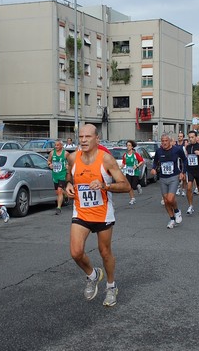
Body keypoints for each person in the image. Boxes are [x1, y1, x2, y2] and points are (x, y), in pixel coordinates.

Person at [65, 124, 130, 307]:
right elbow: (68, 176)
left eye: (88, 137)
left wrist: (104, 185)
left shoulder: (106, 160)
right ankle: (93, 275)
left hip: (102, 213)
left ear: (97, 139)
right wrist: (68, 185)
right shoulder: (72, 157)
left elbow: (126, 186)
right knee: (76, 252)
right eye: (81, 137)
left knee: (105, 252)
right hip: (81, 211)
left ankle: (111, 286)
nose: (84, 140)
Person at [151, 133, 188, 229]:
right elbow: (155, 162)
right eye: (162, 141)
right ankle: (172, 219)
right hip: (163, 178)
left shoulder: (177, 150)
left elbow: (184, 160)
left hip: (174, 177)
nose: (164, 143)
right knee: (166, 201)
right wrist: (154, 168)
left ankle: (177, 211)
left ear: (170, 141)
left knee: (171, 199)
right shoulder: (159, 151)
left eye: (166, 141)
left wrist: (183, 172)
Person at [48, 139, 69, 214]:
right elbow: (48, 161)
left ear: (61, 146)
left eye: (58, 145)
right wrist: (49, 164)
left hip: (62, 174)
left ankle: (58, 207)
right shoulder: (52, 153)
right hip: (55, 174)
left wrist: (67, 165)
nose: (56, 146)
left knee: (59, 190)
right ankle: (65, 194)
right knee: (57, 192)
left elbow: (70, 162)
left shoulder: (66, 153)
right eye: (55, 145)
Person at [121, 140, 144, 205]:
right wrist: (120, 167)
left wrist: (136, 165)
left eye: (129, 145)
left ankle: (137, 186)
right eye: (127, 145)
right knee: (129, 186)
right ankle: (132, 198)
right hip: (128, 172)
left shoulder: (135, 154)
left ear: (132, 147)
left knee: (133, 186)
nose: (128, 147)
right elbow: (124, 163)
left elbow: (141, 161)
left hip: (135, 172)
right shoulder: (125, 155)